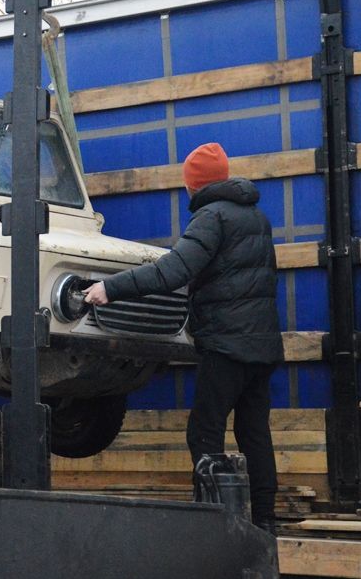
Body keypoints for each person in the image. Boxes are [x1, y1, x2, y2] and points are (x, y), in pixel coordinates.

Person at [82, 143, 283, 534]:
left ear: (193, 186)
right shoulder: (256, 216)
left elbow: (172, 271)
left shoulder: (211, 218)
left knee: (204, 432)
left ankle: (214, 523)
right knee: (254, 433)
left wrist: (111, 288)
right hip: (261, 345)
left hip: (226, 344)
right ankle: (264, 521)